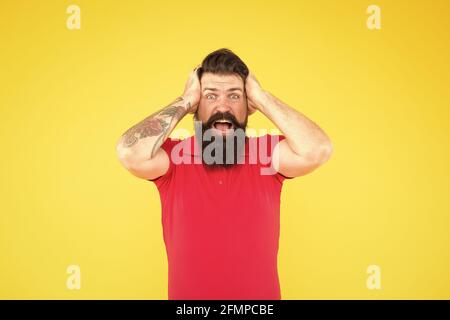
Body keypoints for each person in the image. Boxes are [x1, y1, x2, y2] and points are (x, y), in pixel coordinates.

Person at [116, 48, 333, 300]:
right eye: (210, 96)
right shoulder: (174, 158)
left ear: (248, 105)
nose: (223, 106)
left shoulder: (266, 155)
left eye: (234, 95)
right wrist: (185, 99)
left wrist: (261, 97)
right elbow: (129, 152)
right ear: (196, 106)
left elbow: (318, 149)